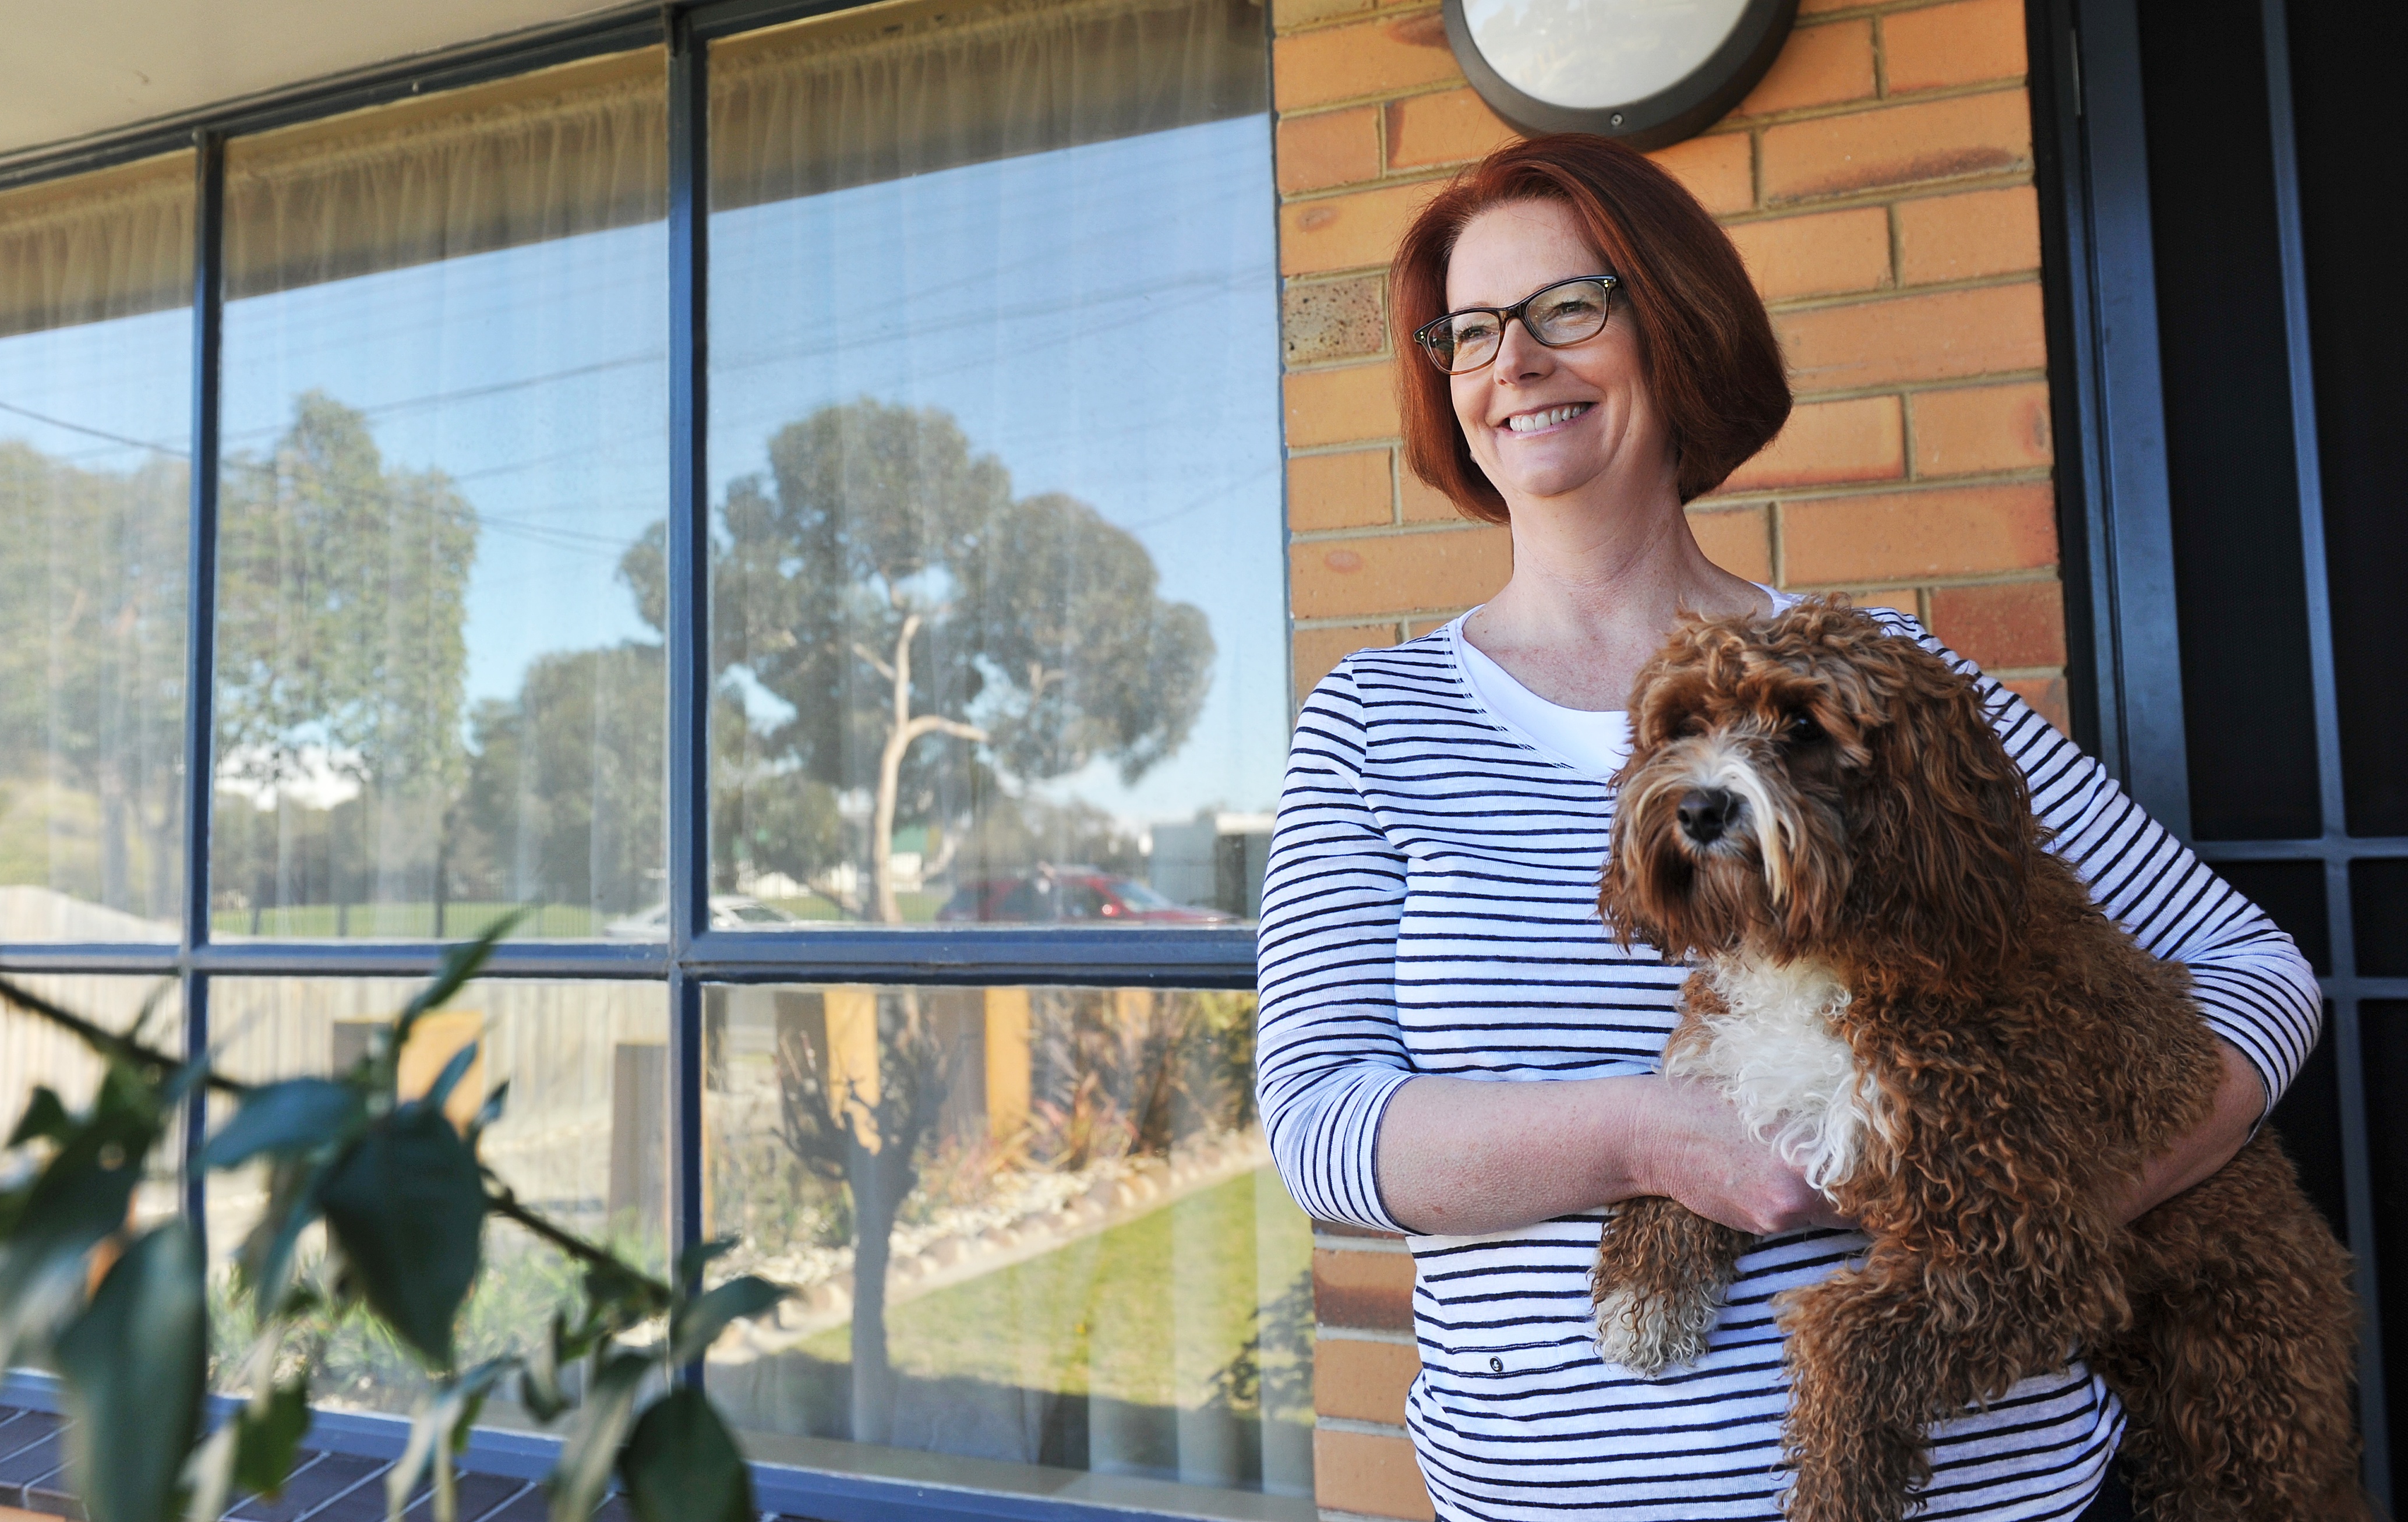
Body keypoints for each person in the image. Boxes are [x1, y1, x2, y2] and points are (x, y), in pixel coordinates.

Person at [1254, 134, 2318, 1521]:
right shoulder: (1377, 719)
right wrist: (1655, 1137)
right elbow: (1323, 1120)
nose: (1510, 362)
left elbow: (2261, 975)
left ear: (1676, 325)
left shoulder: (1883, 689)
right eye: (1468, 331)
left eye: (1568, 306)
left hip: (1986, 1493)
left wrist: (2029, 1223)